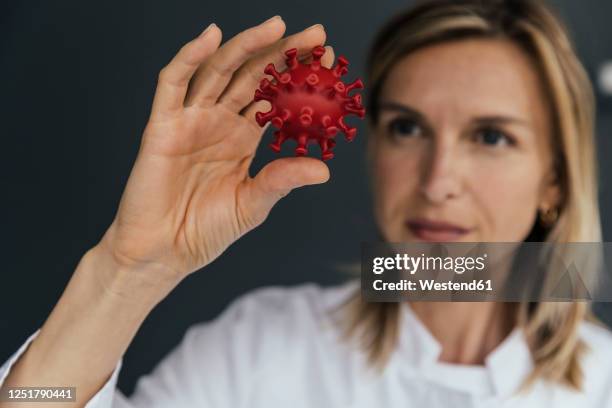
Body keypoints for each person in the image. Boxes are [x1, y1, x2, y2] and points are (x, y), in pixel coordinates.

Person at [2, 0, 612, 406]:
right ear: (372, 148)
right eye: (407, 128)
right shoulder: (263, 347)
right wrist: (128, 271)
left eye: (491, 137)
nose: (438, 180)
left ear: (555, 178)